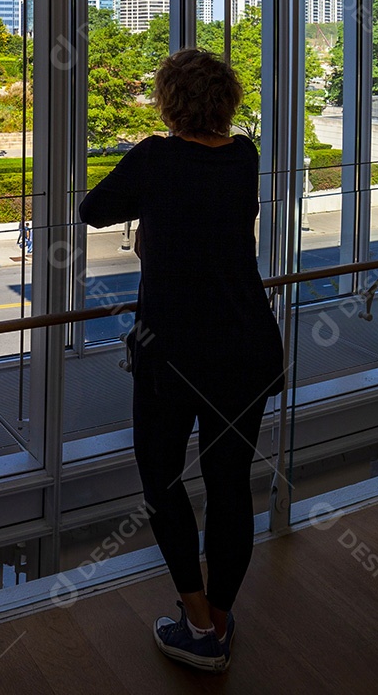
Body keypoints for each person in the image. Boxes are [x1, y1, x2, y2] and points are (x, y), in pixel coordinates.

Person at [78, 48, 284, 674]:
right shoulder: (244, 156)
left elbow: (92, 210)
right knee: (230, 485)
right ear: (227, 101)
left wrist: (148, 221)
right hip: (245, 346)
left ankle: (197, 625)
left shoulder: (154, 157)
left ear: (169, 103)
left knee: (162, 482)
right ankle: (218, 618)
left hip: (171, 352)